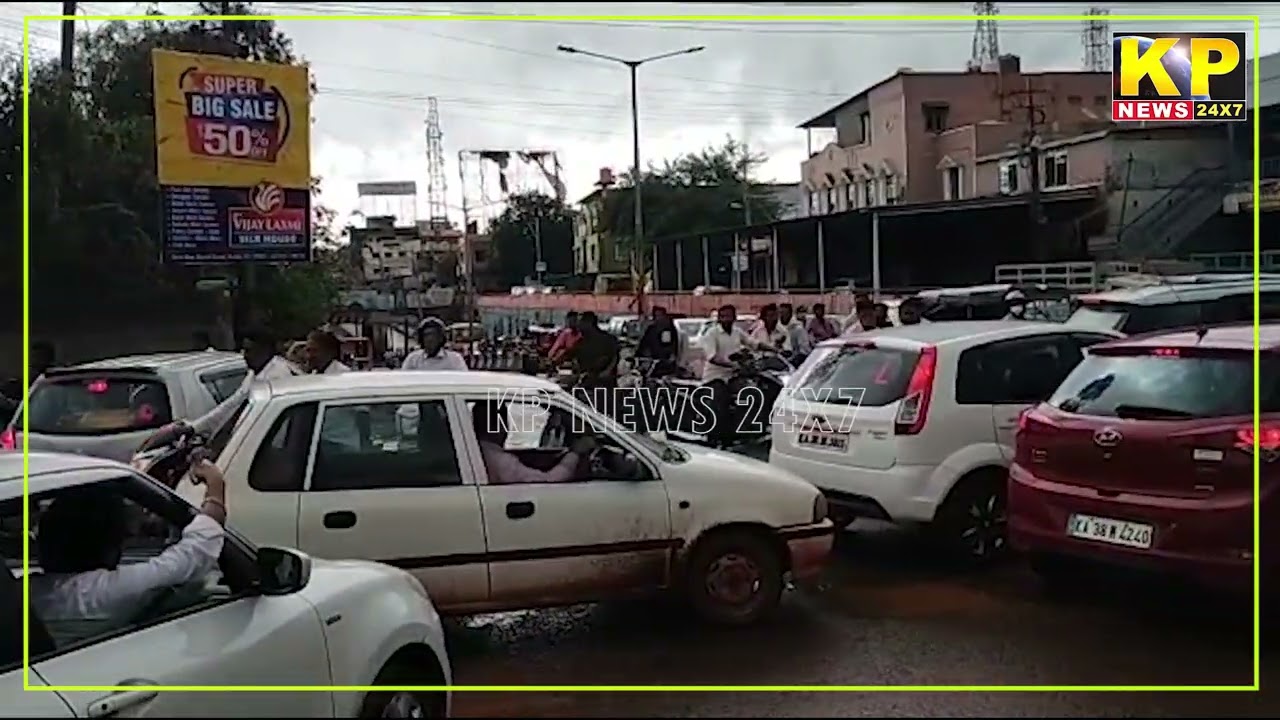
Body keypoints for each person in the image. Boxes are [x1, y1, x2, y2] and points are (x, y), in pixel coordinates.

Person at [31, 460, 227, 632]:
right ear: (106, 545)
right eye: (121, 536)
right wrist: (215, 485)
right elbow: (195, 550)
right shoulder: (97, 594)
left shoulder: (25, 593)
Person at [472, 401, 594, 484]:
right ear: (501, 426)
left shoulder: (475, 452)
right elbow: (547, 483)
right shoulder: (500, 462)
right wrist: (574, 455)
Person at [699, 304, 757, 446]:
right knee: (721, 401)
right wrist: (733, 365)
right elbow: (712, 357)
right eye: (723, 316)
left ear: (734, 317)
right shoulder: (711, 334)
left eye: (729, 316)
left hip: (733, 376)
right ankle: (719, 436)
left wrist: (774, 349)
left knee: (752, 393)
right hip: (715, 376)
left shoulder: (737, 332)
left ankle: (744, 430)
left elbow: (753, 343)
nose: (726, 319)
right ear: (719, 318)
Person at [563, 311, 621, 415]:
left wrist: (606, 371)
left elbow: (615, 357)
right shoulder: (581, 342)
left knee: (606, 415)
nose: (579, 325)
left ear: (589, 323)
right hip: (587, 384)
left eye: (581, 322)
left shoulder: (607, 339)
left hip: (605, 385)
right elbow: (571, 357)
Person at [402, 317, 469, 371]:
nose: (430, 339)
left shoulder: (455, 359)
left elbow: (464, 381)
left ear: (441, 338)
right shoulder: (413, 359)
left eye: (434, 335)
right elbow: (403, 381)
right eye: (426, 335)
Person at [635, 305, 681, 376]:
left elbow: (670, 344)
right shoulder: (652, 328)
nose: (658, 318)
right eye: (656, 316)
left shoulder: (666, 328)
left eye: (659, 315)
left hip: (661, 361)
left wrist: (671, 355)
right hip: (653, 360)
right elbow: (645, 343)